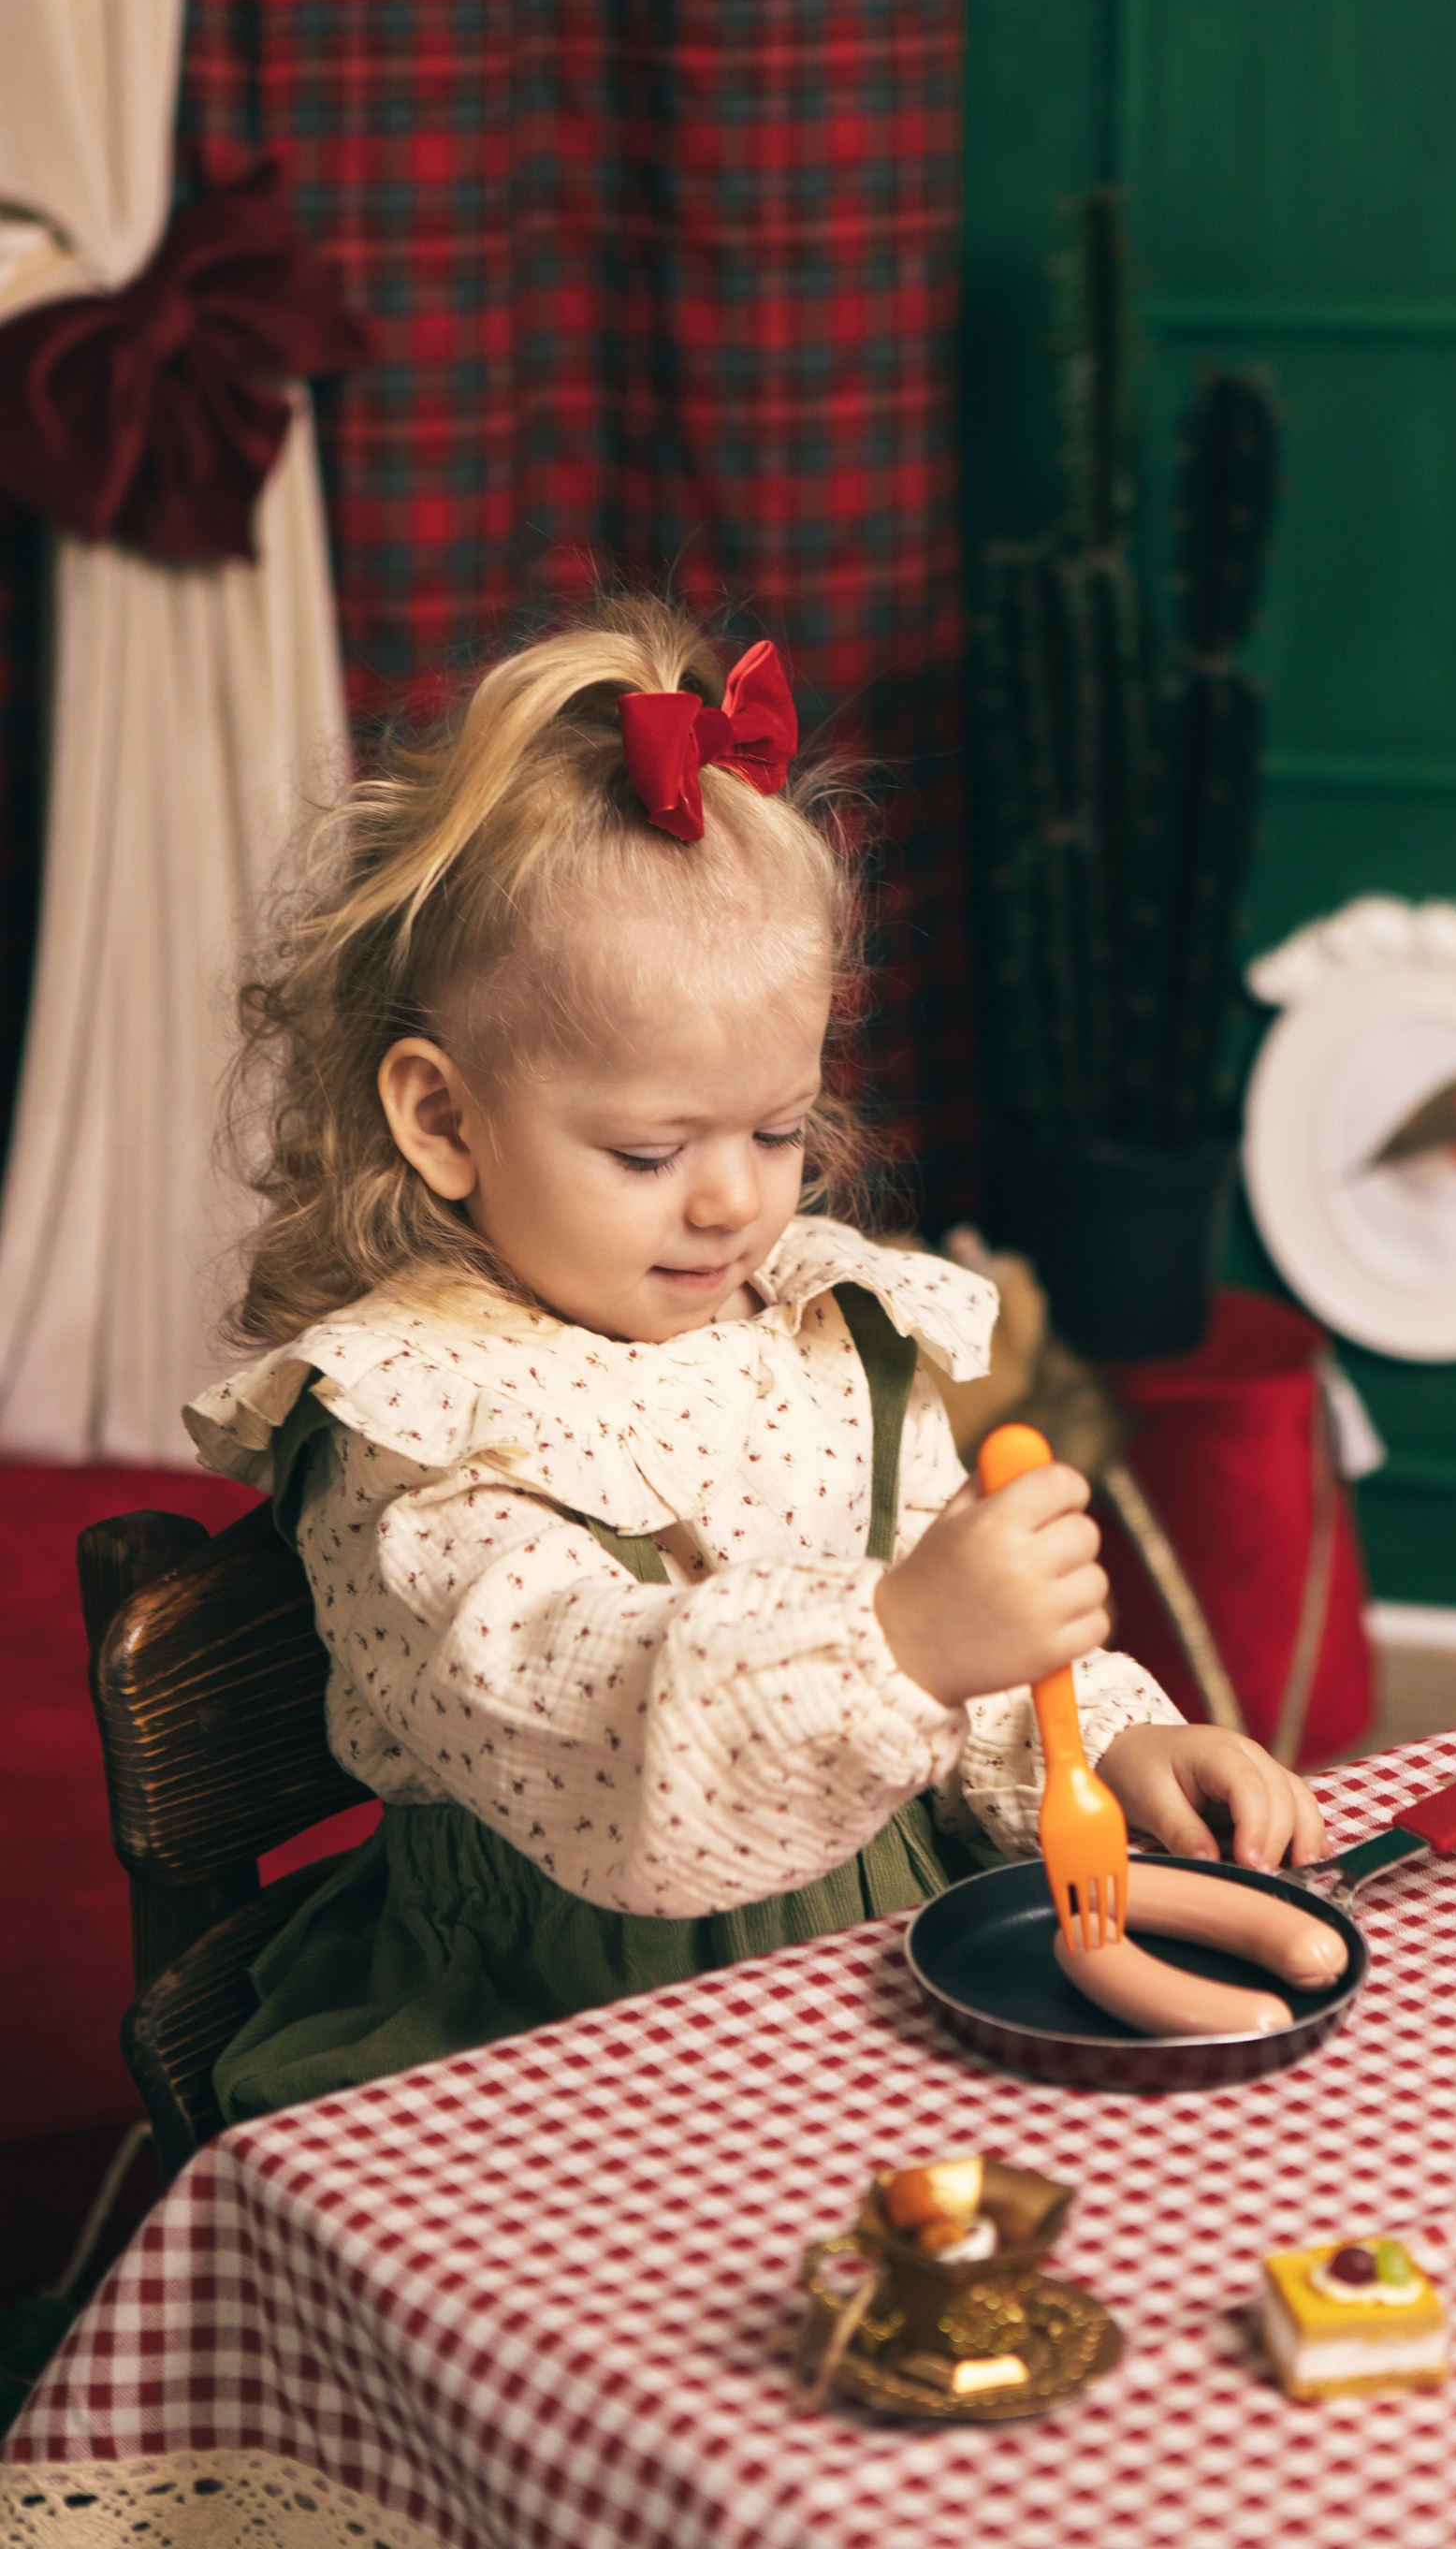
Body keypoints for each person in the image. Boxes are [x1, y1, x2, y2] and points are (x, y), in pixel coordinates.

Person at [187, 597, 1326, 2117]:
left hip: (881, 1955)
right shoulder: (419, 1426)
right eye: (650, 1150)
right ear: (444, 1120)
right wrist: (902, 1637)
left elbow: (967, 1668)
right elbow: (605, 1744)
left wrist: (1113, 1740)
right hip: (558, 2028)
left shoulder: (816, 1328)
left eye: (777, 1131)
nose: (733, 1199)